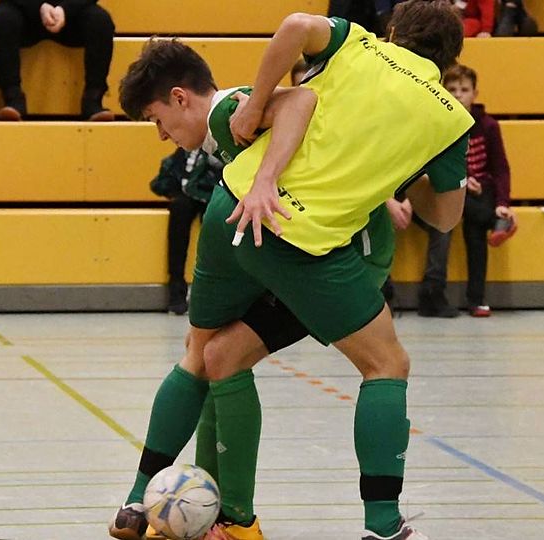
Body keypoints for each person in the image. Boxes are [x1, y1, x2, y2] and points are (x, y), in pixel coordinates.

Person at [113, 3, 471, 540]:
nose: (161, 134)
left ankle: (156, 505)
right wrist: (402, 173)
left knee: (211, 355)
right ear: (452, 59)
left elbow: (298, 32)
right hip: (306, 238)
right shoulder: (450, 118)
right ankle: (382, 525)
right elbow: (444, 218)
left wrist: (259, 112)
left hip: (234, 210)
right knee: (386, 364)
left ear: (393, 31)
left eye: (157, 121)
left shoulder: (359, 48)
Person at [420, 64, 514, 318]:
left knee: (475, 225)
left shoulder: (489, 126)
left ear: (475, 93)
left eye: (464, 90)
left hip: (480, 193)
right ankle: (497, 222)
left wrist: (503, 202)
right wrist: (466, 178)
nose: (458, 95)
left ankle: (476, 298)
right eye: (452, 89)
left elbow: (501, 168)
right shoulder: (438, 123)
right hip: (448, 191)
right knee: (467, 218)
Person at [0, 0, 115, 121]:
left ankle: (93, 100)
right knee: (2, 18)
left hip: (72, 13)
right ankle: (12, 97)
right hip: (23, 9)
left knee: (100, 20)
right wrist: (39, 7)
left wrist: (65, 9)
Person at [150, 147, 224, 315]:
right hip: (188, 196)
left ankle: (215, 294)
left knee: (217, 227)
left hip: (218, 195)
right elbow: (162, 181)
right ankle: (176, 291)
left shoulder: (225, 147)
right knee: (179, 208)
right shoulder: (188, 149)